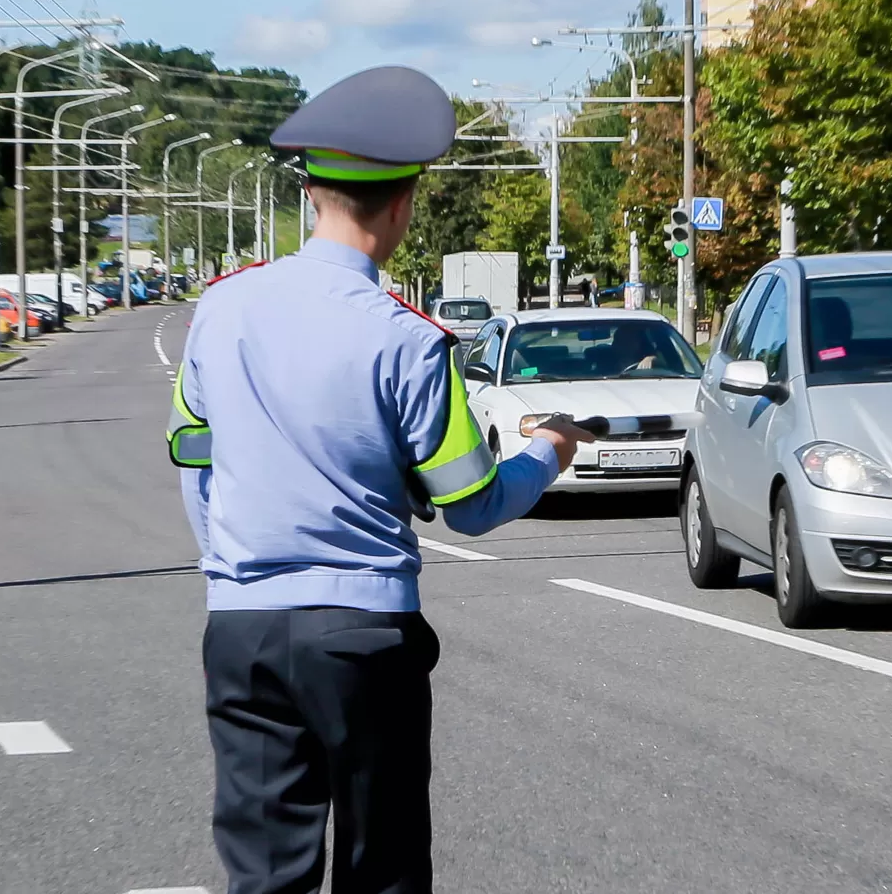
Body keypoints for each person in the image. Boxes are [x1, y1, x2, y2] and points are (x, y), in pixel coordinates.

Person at [167, 65, 593, 894]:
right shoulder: (410, 343)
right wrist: (547, 452)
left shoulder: (221, 310)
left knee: (262, 873)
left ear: (311, 197)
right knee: (382, 866)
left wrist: (233, 571)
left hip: (242, 630)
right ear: (402, 204)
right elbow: (471, 504)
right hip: (362, 636)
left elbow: (193, 457)